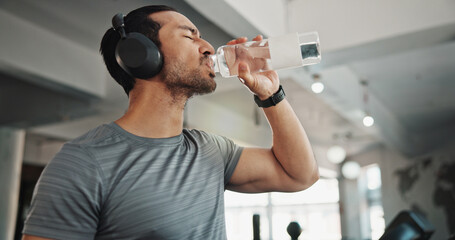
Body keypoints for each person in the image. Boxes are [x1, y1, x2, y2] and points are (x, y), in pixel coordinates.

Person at [22, 5, 319, 240]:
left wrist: (270, 94)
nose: (207, 47)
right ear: (141, 55)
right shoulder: (83, 162)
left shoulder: (211, 150)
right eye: (189, 36)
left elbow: (299, 176)